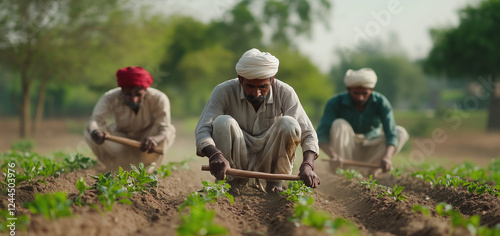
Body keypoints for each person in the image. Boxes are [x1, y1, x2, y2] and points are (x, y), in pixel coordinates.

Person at [195, 48, 320, 194]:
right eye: (250, 86)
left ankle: (275, 182)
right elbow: (203, 129)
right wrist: (215, 154)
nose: (256, 93)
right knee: (222, 122)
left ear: (272, 80)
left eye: (263, 87)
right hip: (237, 157)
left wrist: (307, 165)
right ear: (241, 79)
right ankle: (231, 182)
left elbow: (308, 133)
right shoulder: (223, 91)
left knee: (289, 124)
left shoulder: (285, 92)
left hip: (270, 156)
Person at [316, 68, 409, 173]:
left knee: (400, 133)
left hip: (371, 145)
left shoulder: (381, 102)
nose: (360, 97)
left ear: (372, 90)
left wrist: (387, 157)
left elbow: (391, 134)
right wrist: (333, 155)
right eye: (356, 93)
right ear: (348, 89)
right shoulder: (334, 103)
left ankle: (369, 170)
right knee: (339, 124)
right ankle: (345, 170)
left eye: (365, 93)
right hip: (347, 148)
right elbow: (321, 135)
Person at [84, 66, 176, 170]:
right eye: (128, 95)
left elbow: (165, 128)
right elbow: (95, 120)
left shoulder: (159, 98)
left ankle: (149, 167)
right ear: (121, 91)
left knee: (170, 130)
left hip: (147, 140)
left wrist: (155, 139)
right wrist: (96, 131)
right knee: (90, 131)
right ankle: (112, 165)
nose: (134, 99)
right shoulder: (109, 97)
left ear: (146, 91)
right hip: (120, 140)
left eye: (138, 95)